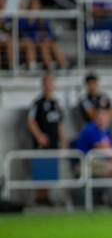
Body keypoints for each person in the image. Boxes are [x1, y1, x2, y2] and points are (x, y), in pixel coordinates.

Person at [26, 72, 66, 205]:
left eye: (51, 82)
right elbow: (30, 120)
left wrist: (62, 139)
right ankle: (39, 197)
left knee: (49, 169)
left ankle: (46, 197)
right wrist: (39, 136)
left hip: (54, 141)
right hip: (42, 143)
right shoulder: (37, 103)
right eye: (47, 82)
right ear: (43, 84)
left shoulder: (57, 103)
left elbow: (60, 122)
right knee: (40, 169)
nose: (49, 85)